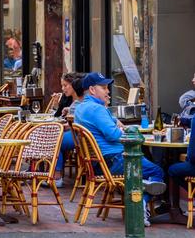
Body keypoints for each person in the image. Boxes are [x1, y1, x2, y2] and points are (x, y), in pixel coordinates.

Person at [75, 72, 165, 226]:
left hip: (99, 163)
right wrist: (122, 129)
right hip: (115, 161)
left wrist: (114, 120)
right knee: (157, 171)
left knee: (147, 168)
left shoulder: (81, 108)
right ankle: (139, 204)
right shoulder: (97, 109)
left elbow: (111, 127)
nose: (108, 91)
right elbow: (114, 135)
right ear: (91, 89)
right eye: (103, 87)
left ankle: (140, 188)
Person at [52, 72, 85, 187]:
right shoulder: (71, 101)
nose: (63, 88)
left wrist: (67, 124)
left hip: (81, 135)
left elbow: (80, 121)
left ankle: (57, 176)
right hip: (75, 132)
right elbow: (58, 116)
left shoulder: (83, 101)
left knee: (56, 141)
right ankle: (53, 172)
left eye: (65, 85)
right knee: (54, 138)